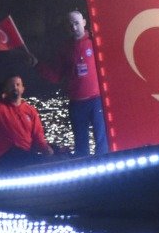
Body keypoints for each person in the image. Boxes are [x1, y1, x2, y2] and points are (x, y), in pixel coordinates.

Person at [28, 9, 106, 156]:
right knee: (81, 145)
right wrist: (37, 65)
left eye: (77, 23)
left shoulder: (95, 42)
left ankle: (107, 170)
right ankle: (86, 173)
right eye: (70, 25)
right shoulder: (64, 49)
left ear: (84, 23)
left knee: (102, 140)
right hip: (76, 103)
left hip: (97, 99)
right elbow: (56, 76)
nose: (74, 27)